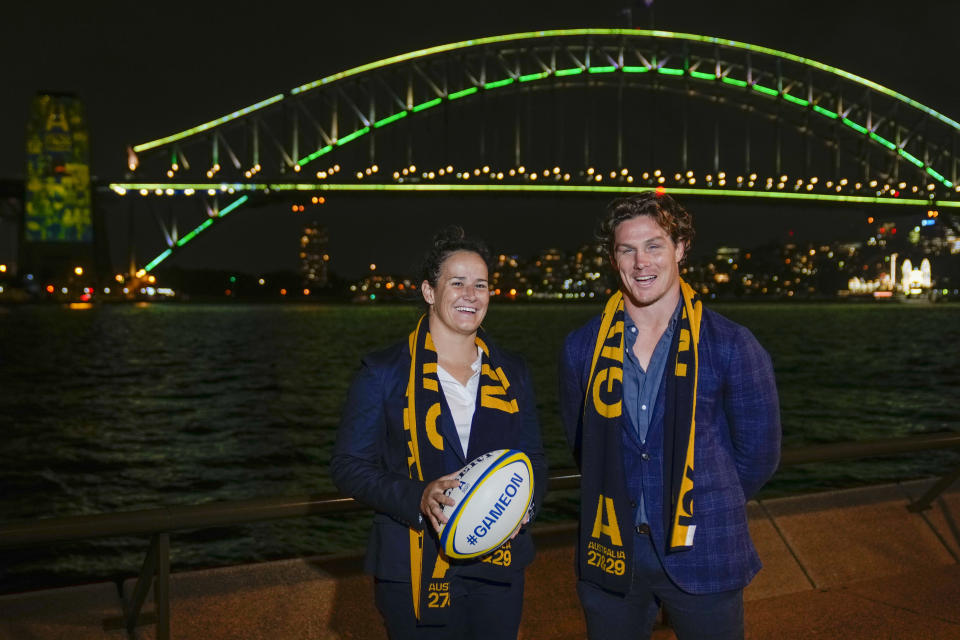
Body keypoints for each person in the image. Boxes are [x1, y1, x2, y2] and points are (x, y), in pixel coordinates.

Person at [559, 193, 781, 640]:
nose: (642, 262)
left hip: (704, 549)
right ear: (613, 258)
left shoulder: (731, 344)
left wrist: (701, 499)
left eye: (655, 246)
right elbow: (582, 443)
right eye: (627, 249)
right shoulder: (581, 348)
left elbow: (760, 456)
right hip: (611, 551)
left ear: (680, 249)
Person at [331, 226, 547, 639]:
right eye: (457, 282)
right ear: (429, 292)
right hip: (413, 564)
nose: (471, 294)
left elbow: (533, 456)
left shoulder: (512, 371)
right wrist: (419, 497)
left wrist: (525, 507)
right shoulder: (383, 372)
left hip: (498, 565)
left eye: (480, 284)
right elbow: (348, 465)